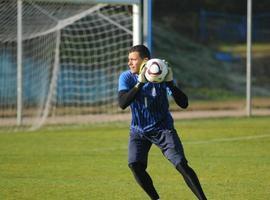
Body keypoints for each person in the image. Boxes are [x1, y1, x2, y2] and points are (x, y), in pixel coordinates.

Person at [118, 44, 207, 200]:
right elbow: (123, 103)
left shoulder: (160, 74)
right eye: (129, 60)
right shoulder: (126, 77)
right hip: (138, 130)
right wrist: (140, 83)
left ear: (145, 61)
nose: (129, 63)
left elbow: (184, 103)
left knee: (181, 165)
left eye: (133, 59)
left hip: (163, 129)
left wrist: (171, 83)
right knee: (135, 165)